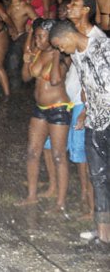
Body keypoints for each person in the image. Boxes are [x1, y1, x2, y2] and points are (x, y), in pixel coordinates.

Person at [49, 21, 110, 245]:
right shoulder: (77, 56)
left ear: (67, 37)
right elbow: (87, 85)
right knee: (98, 177)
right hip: (94, 121)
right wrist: (85, 111)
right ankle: (103, 234)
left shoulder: (104, 47)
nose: (60, 50)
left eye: (59, 45)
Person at [16, 20, 70, 214]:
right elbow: (25, 78)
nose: (37, 40)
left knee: (58, 155)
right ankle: (31, 195)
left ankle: (60, 203)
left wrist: (56, 54)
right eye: (36, 35)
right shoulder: (37, 52)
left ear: (52, 37)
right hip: (39, 108)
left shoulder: (63, 55)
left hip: (58, 108)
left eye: (41, 36)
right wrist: (27, 60)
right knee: (32, 152)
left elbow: (55, 79)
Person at [65, 0, 107, 220]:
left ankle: (98, 215)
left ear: (86, 10)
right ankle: (91, 208)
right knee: (84, 160)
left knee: (97, 165)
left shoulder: (96, 41)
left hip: (95, 110)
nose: (69, 7)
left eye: (75, 5)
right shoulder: (75, 38)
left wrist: (86, 110)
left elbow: (101, 84)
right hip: (81, 104)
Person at [6, 0, 39, 89]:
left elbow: (37, 21)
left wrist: (30, 28)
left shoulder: (25, 7)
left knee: (13, 59)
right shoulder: (8, 5)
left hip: (21, 36)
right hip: (9, 36)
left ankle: (17, 88)